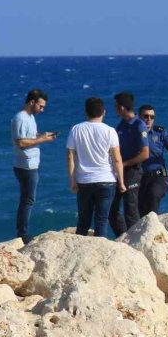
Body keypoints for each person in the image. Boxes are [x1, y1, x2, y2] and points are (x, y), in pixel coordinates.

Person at [66, 97, 125, 238]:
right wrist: (121, 182)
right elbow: (117, 159)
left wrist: (72, 180)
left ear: (86, 112)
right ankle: (100, 249)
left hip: (84, 181)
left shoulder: (76, 129)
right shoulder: (110, 131)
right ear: (103, 112)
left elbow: (70, 156)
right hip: (106, 180)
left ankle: (79, 248)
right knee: (101, 220)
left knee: (83, 221)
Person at [10, 89, 57, 244]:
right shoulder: (20, 118)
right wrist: (42, 140)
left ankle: (22, 231)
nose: (42, 110)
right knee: (28, 200)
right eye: (40, 106)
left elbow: (31, 136)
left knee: (27, 199)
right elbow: (21, 142)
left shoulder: (30, 117)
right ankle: (22, 233)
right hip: (25, 166)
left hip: (31, 164)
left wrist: (43, 135)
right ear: (32, 102)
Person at [109, 92, 149, 236]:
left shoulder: (139, 125)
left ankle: (136, 240)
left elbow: (145, 153)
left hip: (132, 171)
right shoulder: (120, 126)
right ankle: (123, 237)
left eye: (115, 106)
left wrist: (124, 164)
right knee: (112, 210)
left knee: (130, 209)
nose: (114, 109)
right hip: (119, 171)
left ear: (121, 108)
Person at [138, 104, 168, 216]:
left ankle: (153, 224)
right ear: (139, 117)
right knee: (140, 209)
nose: (149, 119)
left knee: (153, 196)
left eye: (152, 117)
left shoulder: (160, 132)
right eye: (146, 116)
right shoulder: (134, 133)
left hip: (158, 175)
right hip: (139, 176)